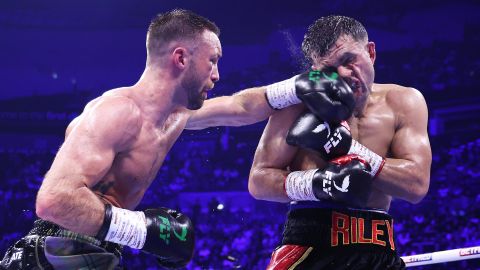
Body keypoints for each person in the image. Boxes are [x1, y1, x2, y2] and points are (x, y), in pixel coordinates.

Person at [0, 9, 350, 270]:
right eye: (212, 61)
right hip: (54, 250)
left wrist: (298, 85)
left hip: (96, 249)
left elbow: (241, 106)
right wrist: (143, 231)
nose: (217, 74)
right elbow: (52, 199)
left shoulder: (176, 116)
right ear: (181, 58)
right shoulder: (115, 112)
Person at [249, 15, 432, 269]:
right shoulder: (299, 104)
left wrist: (347, 148)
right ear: (315, 72)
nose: (344, 75)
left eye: (349, 60)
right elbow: (258, 180)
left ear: (371, 52)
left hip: (378, 248)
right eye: (329, 71)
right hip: (309, 244)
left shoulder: (404, 102)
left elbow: (416, 186)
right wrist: (314, 184)